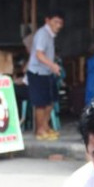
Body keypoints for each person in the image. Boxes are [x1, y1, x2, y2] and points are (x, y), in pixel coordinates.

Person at [26, 10, 64, 140]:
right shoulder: (42, 34)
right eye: (55, 22)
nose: (58, 25)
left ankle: (45, 127)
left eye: (60, 23)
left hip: (47, 72)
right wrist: (52, 65)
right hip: (37, 72)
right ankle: (40, 131)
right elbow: (39, 54)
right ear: (47, 21)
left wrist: (53, 67)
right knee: (41, 103)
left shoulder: (50, 35)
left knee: (51, 101)